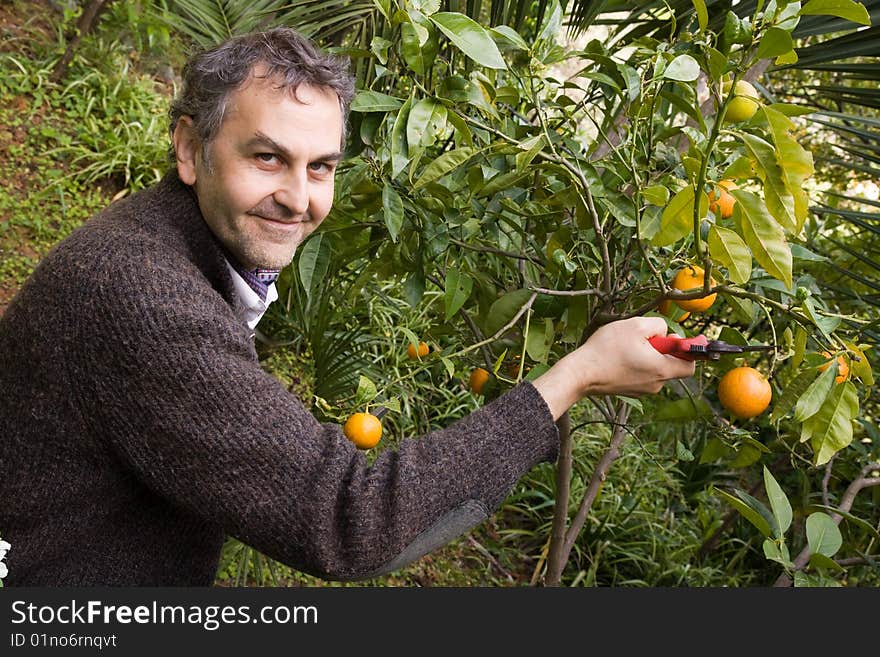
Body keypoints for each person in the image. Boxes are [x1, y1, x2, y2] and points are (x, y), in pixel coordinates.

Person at [0, 27, 695, 586]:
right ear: (189, 147)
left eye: (321, 166)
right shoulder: (143, 298)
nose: (301, 198)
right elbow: (349, 519)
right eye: (268, 158)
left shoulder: (168, 243)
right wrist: (572, 377)